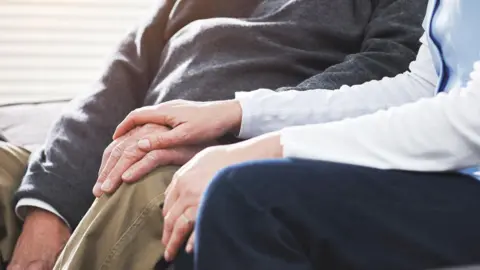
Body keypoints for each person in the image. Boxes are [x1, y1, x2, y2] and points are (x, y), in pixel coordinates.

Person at [0, 0, 427, 269]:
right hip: (127, 149)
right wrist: (47, 207)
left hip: (222, 152)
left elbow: (392, 69)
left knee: (149, 178)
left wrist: (228, 138)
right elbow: (107, 91)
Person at [99, 0, 480, 268]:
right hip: (453, 177)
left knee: (244, 199)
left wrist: (262, 149)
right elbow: (419, 87)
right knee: (198, 224)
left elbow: (470, 120)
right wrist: (236, 113)